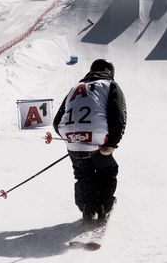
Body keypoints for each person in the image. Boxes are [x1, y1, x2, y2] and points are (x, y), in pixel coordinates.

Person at [53, 59, 127, 222]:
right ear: (110, 72)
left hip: (72, 138)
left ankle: (87, 205)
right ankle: (104, 205)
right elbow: (118, 116)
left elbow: (56, 121)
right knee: (107, 169)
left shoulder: (74, 88)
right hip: (96, 137)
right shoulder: (110, 86)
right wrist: (111, 143)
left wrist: (72, 139)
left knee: (83, 172)